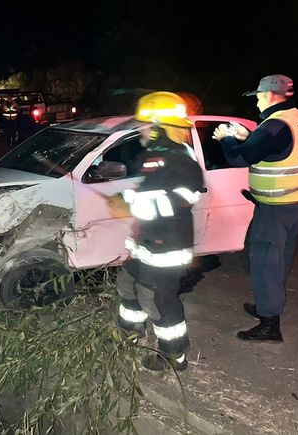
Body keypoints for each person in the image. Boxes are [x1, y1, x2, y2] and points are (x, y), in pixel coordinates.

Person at [212, 74, 298, 342]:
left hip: (275, 207)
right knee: (281, 257)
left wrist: (227, 138)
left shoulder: (274, 126)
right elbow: (279, 149)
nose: (257, 102)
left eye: (259, 97)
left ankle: (269, 323)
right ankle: (267, 304)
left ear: (271, 95)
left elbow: (239, 158)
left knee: (265, 261)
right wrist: (249, 136)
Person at [107, 92, 204, 371]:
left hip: (168, 245)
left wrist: (130, 205)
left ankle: (174, 356)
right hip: (149, 241)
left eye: (145, 125)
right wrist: (126, 199)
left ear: (159, 126)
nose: (141, 130)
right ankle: (129, 337)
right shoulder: (157, 155)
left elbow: (182, 199)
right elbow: (151, 192)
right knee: (128, 283)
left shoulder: (180, 158)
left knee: (157, 299)